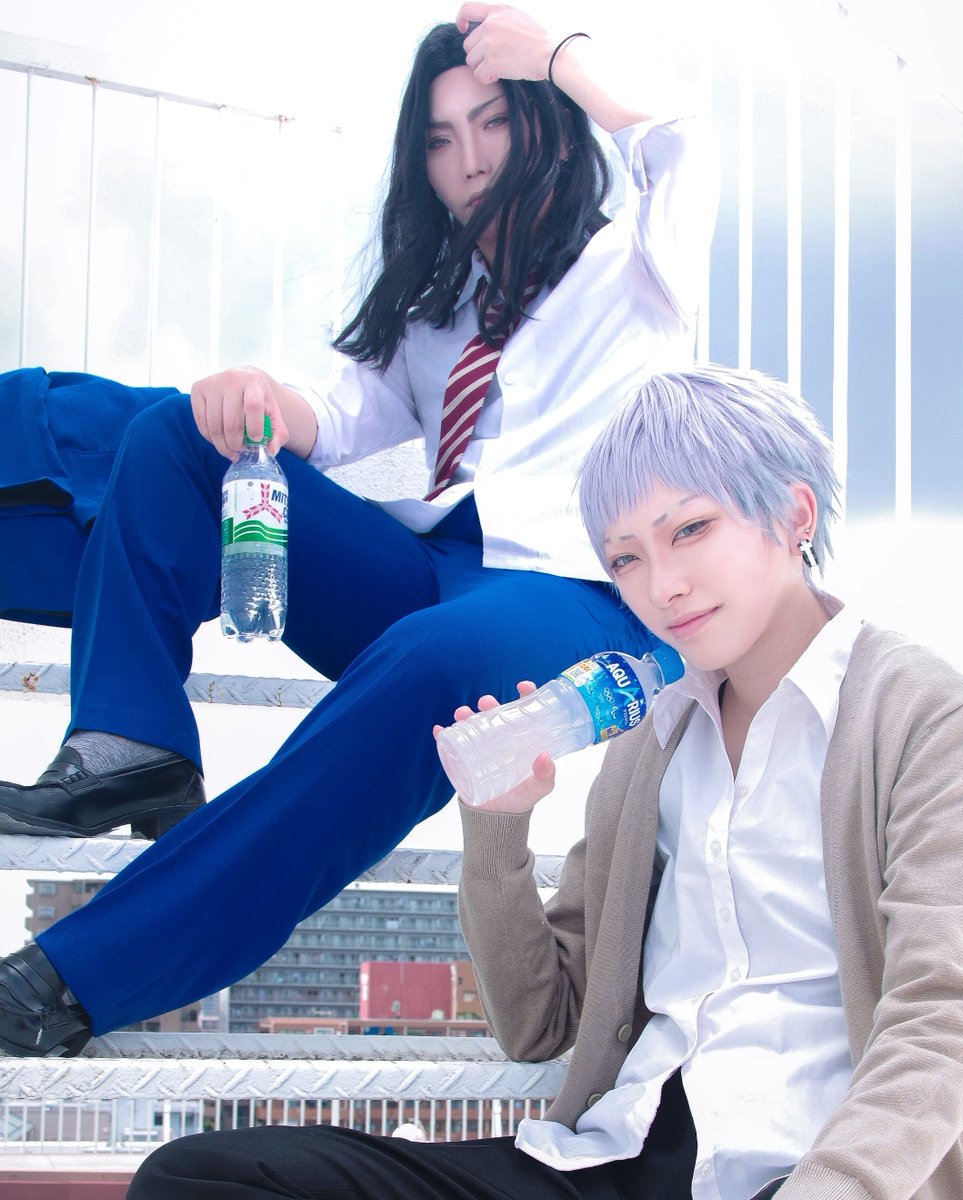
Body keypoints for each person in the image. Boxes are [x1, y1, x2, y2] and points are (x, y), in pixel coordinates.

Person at [0, 4, 717, 1053]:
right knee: (177, 432)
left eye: (493, 123)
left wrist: (556, 56)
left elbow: (678, 137)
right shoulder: (436, 304)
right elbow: (336, 420)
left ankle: (73, 979)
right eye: (439, 139)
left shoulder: (638, 265)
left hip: (575, 595)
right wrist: (258, 401)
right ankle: (133, 741)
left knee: (430, 663)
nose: (469, 160)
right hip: (426, 564)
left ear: (549, 128)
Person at [126, 364, 963, 1200]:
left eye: (690, 530)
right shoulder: (655, 740)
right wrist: (498, 829)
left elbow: (940, 1020)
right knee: (197, 1178)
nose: (661, 587)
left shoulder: (919, 715)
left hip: (814, 1173)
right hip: (613, 1159)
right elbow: (539, 1022)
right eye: (625, 558)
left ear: (794, 515)